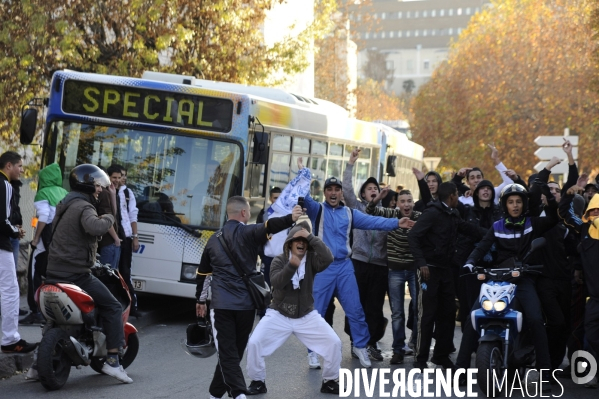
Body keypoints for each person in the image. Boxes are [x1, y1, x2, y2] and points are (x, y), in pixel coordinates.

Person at [195, 196, 303, 399]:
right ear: (244, 213)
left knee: (228, 353)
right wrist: (291, 218)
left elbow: (203, 275)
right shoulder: (249, 233)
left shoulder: (213, 239)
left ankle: (236, 395)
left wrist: (200, 301)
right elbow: (271, 225)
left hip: (221, 306)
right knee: (233, 353)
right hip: (246, 305)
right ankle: (218, 394)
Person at [456, 182, 559, 391]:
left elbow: (553, 218)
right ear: (505, 204)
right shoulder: (497, 226)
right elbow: (482, 247)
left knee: (536, 319)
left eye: (518, 202)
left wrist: (547, 194)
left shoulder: (533, 223)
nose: (515, 205)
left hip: (524, 279)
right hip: (498, 278)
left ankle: (545, 374)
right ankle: (461, 370)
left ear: (524, 204)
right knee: (472, 318)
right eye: (511, 202)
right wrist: (469, 263)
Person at [301, 175, 412, 369]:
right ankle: (313, 352)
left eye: (337, 189)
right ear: (325, 192)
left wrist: (397, 223)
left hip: (344, 266)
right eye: (330, 189)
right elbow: (303, 196)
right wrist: (304, 175)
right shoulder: (317, 210)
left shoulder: (350, 213)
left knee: (356, 309)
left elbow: (374, 221)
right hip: (323, 266)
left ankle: (360, 346)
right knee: (316, 311)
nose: (333, 193)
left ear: (341, 193)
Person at [46, 164, 133, 383]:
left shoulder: (64, 203)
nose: (99, 190)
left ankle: (39, 363)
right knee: (113, 307)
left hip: (53, 271)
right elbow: (95, 227)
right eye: (97, 186)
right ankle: (113, 361)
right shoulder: (84, 207)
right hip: (76, 273)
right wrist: (110, 215)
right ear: (87, 185)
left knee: (52, 318)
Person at [245, 222, 341, 395]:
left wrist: (311, 237)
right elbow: (276, 282)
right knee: (254, 342)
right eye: (298, 240)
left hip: (306, 315)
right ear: (289, 243)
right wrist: (292, 266)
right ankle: (258, 381)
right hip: (279, 313)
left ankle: (330, 381)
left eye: (305, 241)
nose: (302, 243)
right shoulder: (279, 260)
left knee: (334, 342)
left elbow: (328, 258)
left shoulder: (312, 259)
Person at [407, 182, 486, 370]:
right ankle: (420, 358)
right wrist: (422, 263)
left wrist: (492, 233)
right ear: (451, 196)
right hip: (429, 271)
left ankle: (441, 356)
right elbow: (413, 236)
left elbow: (466, 228)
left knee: (448, 314)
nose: (458, 197)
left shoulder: (453, 213)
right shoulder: (432, 213)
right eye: (456, 194)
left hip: (446, 270)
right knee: (427, 315)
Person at [342, 148, 392, 361]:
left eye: (376, 188)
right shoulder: (356, 208)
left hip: (380, 265)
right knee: (356, 304)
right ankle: (356, 343)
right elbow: (346, 190)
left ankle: (371, 344)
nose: (373, 190)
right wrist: (350, 164)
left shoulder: (386, 211)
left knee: (374, 307)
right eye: (369, 188)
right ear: (363, 194)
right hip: (359, 262)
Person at [366, 187, 420, 364]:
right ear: (397, 204)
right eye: (402, 201)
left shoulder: (419, 217)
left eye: (409, 201)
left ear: (413, 202)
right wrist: (378, 198)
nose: (406, 204)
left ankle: (418, 346)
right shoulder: (391, 214)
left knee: (418, 310)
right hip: (395, 270)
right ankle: (398, 350)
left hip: (414, 270)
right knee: (397, 313)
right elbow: (370, 210)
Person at [559, 186, 599, 387]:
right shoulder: (583, 228)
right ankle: (591, 374)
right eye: (593, 211)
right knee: (591, 336)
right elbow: (564, 213)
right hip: (595, 297)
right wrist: (567, 194)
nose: (596, 215)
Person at [22, 163, 68, 325]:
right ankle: (52, 312)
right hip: (61, 240)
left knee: (34, 273)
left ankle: (35, 311)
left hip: (45, 240)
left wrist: (35, 239)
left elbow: (43, 217)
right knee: (53, 276)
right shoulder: (64, 193)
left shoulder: (43, 193)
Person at [0, 151, 37, 353]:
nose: (22, 170)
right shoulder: (5, 184)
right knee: (10, 291)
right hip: (2, 245)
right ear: (8, 166)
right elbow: (3, 220)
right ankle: (10, 340)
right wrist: (16, 231)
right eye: (19, 166)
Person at [116, 165, 140, 317]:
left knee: (125, 271)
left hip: (125, 237)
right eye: (119, 176)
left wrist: (135, 237)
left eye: (123, 176)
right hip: (112, 237)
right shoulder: (108, 191)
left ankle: (132, 306)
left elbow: (132, 215)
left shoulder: (127, 192)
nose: (122, 178)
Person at [97, 165, 123, 270]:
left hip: (110, 242)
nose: (117, 180)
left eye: (119, 178)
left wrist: (113, 195)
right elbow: (106, 218)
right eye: (114, 178)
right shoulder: (103, 192)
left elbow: (113, 215)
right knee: (108, 279)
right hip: (108, 242)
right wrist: (116, 239)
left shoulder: (110, 192)